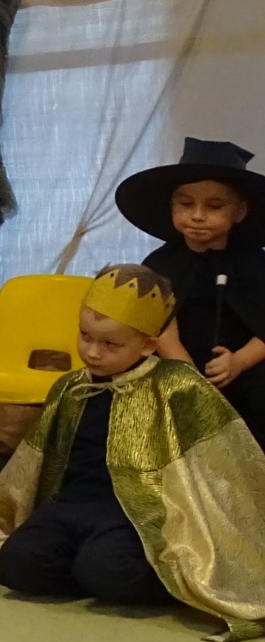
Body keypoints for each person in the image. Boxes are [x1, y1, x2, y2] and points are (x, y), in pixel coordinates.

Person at [0, 265, 265, 642]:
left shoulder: (176, 387)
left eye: (110, 345)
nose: (92, 352)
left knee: (111, 571)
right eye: (85, 336)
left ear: (148, 345)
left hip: (134, 515)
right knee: (19, 563)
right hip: (70, 506)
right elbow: (36, 460)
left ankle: (124, 573)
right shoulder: (71, 387)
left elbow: (222, 463)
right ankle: (87, 567)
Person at [114, 138, 265, 447]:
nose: (197, 215)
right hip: (179, 368)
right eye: (185, 204)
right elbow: (162, 333)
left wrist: (238, 362)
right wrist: (191, 380)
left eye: (214, 206)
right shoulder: (160, 265)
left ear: (239, 211)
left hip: (245, 371)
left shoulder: (254, 263)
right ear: (171, 206)